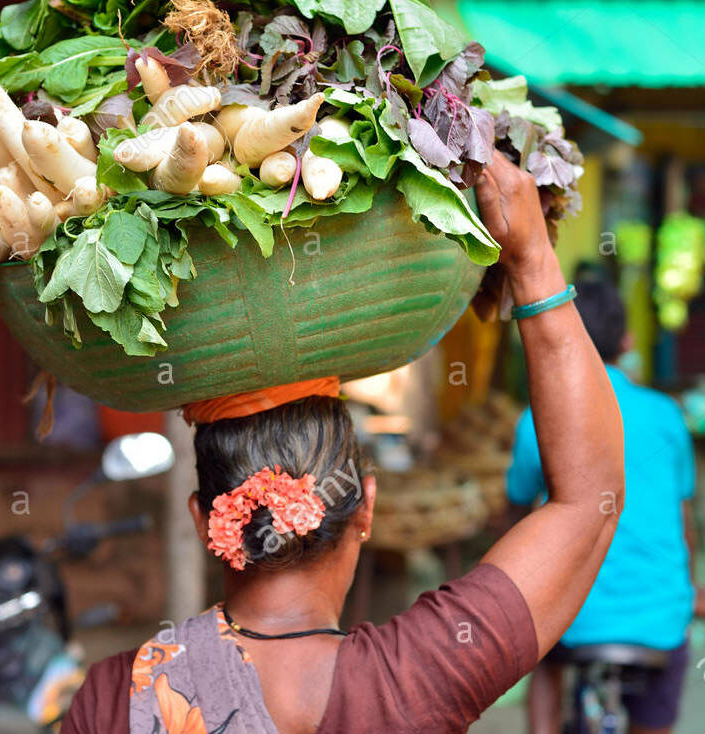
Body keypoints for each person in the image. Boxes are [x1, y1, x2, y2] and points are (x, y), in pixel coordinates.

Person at [60, 152, 625, 734]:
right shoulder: (418, 679)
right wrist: (533, 261)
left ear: (204, 520)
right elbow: (590, 501)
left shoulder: (110, 703)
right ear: (367, 505)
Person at [507, 277, 705, 734]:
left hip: (572, 618)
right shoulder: (667, 415)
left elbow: (514, 510)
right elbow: (683, 523)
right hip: (660, 617)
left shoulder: (538, 415)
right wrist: (689, 590)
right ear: (627, 342)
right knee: (658, 696)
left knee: (543, 662)